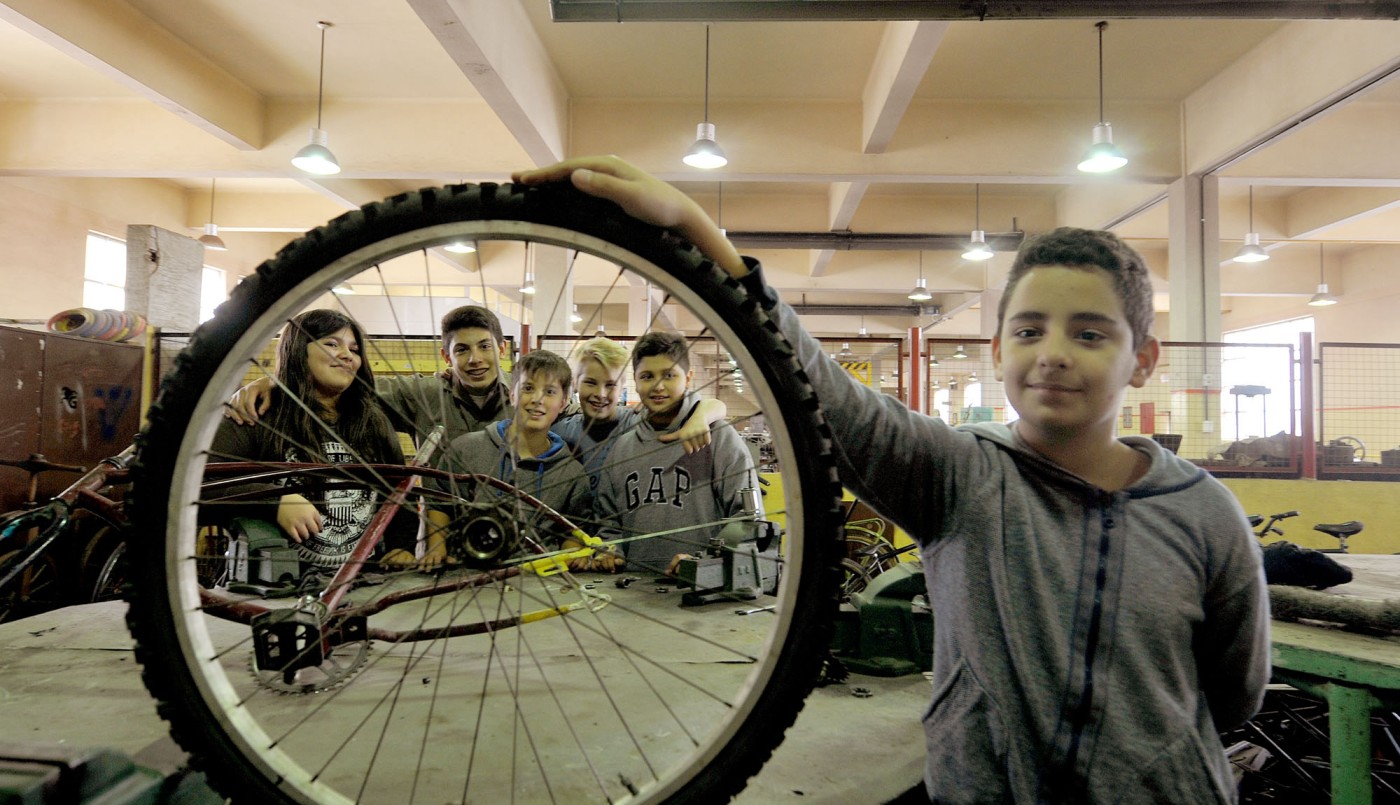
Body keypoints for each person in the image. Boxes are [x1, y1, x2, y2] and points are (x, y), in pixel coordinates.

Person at [513, 157, 1270, 804]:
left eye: (1091, 332)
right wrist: (695, 229)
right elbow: (822, 389)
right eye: (1029, 329)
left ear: (1144, 359)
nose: (1054, 352)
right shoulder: (959, 473)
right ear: (999, 349)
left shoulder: (1206, 515)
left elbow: (1235, 695)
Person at [209, 309, 411, 570]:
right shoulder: (256, 413)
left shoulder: (373, 421)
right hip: (279, 584)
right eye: (331, 344)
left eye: (354, 349)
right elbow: (200, 488)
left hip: (363, 581)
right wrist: (275, 502)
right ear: (297, 350)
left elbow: (397, 491)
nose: (347, 355)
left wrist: (401, 546)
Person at [592, 331, 762, 574]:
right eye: (647, 376)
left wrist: (703, 563)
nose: (658, 386)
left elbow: (747, 520)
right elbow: (608, 523)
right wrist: (610, 550)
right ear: (636, 381)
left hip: (701, 588)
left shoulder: (719, 438)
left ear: (688, 378)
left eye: (669, 375)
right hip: (634, 587)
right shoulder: (622, 448)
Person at [227, 305, 513, 447]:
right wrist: (274, 381)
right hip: (442, 530)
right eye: (462, 349)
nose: (475, 359)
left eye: (485, 346)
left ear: (501, 349)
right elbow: (349, 383)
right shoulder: (423, 394)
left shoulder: (526, 396)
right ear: (446, 356)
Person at [416, 350, 596, 571]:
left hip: (539, 581)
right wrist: (437, 549)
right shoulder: (466, 449)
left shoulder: (571, 473)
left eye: (550, 392)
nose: (537, 399)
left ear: (563, 402)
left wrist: (570, 556)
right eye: (528, 388)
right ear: (512, 395)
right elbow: (440, 502)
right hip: (467, 576)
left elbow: (572, 531)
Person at [552, 335, 728, 489]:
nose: (600, 394)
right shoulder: (560, 432)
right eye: (590, 383)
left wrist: (700, 417)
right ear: (575, 383)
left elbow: (713, 405)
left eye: (611, 385)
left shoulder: (638, 423)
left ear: (622, 388)